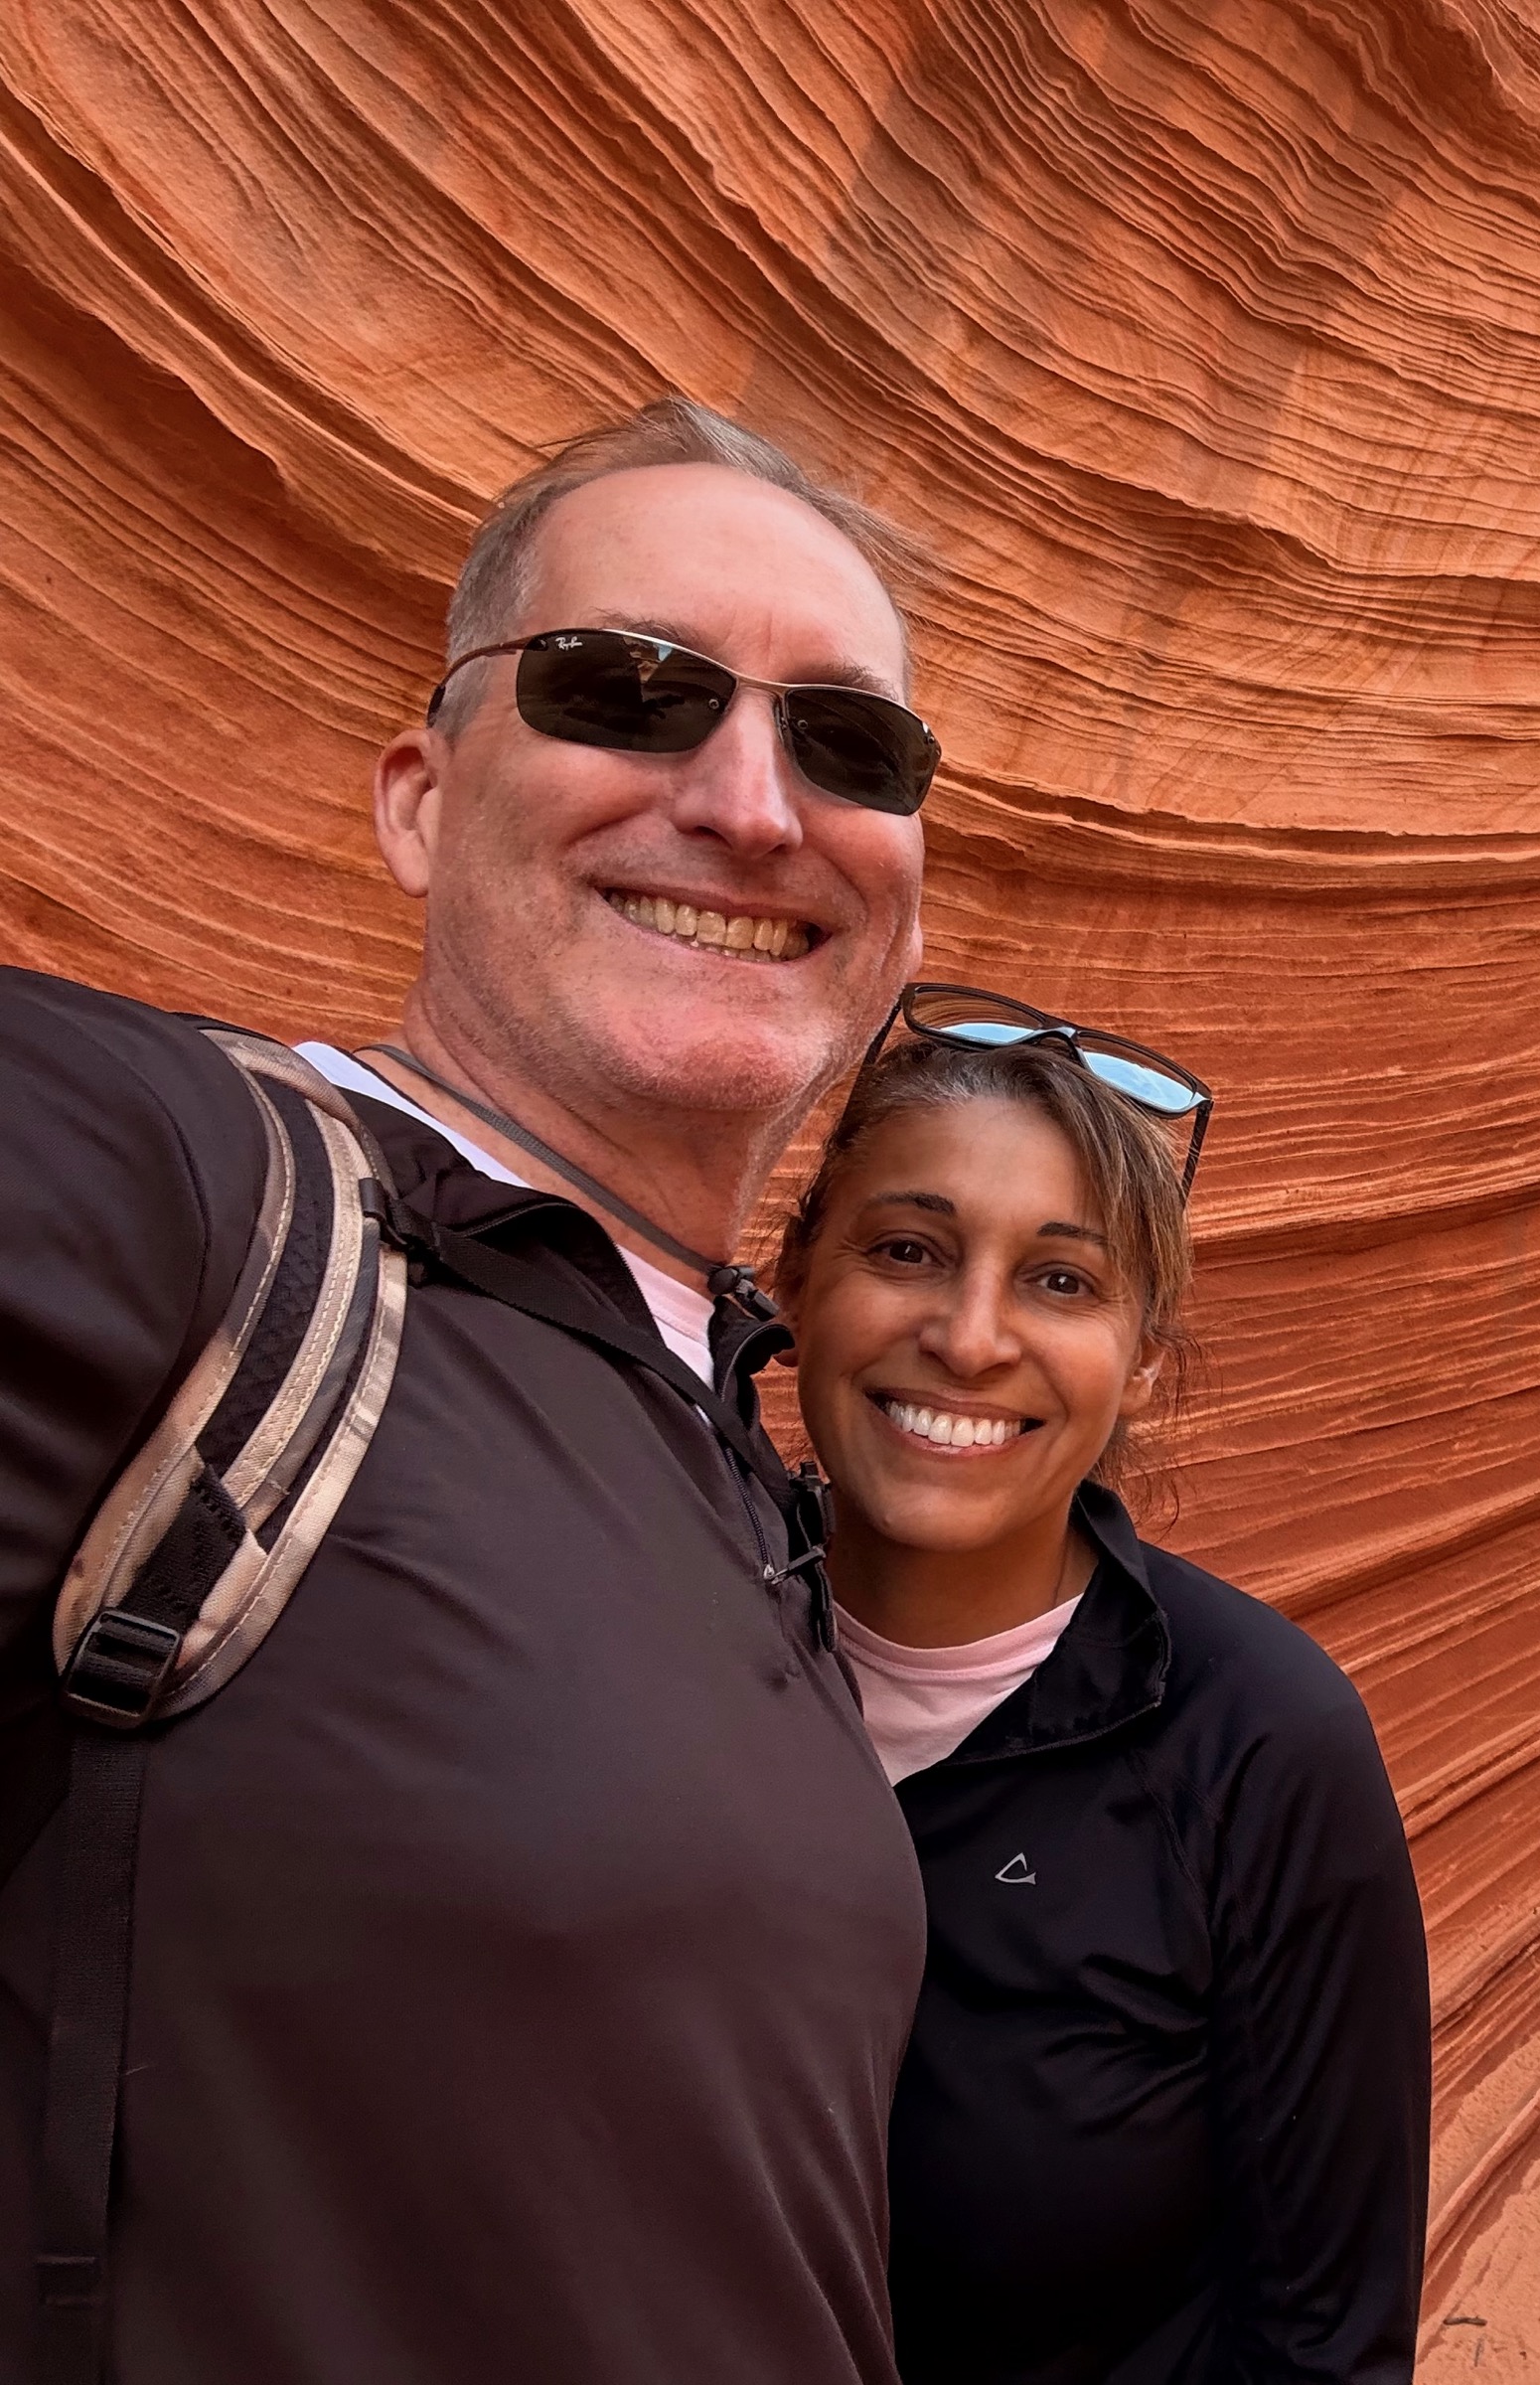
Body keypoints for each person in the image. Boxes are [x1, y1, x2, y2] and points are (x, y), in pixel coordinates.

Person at [0, 398, 943, 2383]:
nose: (754, 804)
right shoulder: (178, 1185)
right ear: (422, 801)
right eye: (630, 691)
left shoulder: (723, 1427)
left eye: (849, 743)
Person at [777, 987, 1431, 2384]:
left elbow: (1324, 2342)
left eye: (1061, 1281)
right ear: (795, 1283)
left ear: (1141, 1363)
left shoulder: (1258, 1744)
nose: (970, 1337)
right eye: (908, 1250)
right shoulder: (664, 1633)